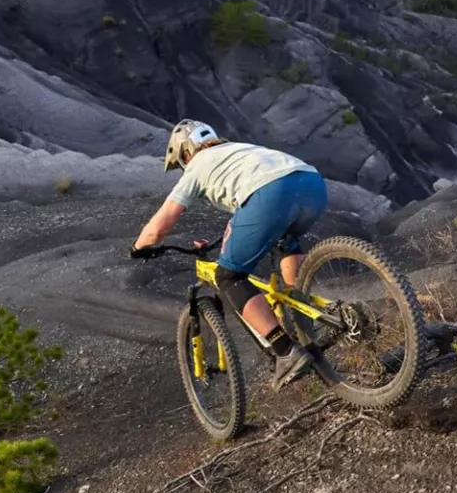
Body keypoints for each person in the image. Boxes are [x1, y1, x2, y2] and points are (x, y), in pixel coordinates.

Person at [130, 120, 327, 388]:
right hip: (311, 183)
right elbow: (245, 209)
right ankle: (308, 323)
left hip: (270, 194)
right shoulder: (237, 150)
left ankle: (286, 351)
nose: (184, 167)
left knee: (229, 277)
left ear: (187, 152)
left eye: (181, 161)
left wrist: (138, 247)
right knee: (285, 243)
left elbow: (160, 225)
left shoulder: (197, 167)